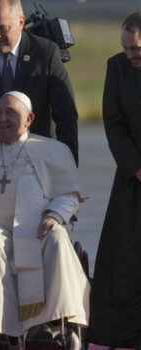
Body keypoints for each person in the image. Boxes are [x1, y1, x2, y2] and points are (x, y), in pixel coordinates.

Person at [0, 91, 90, 346]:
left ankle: (46, 325)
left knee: (57, 237)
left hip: (38, 229)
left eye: (10, 113)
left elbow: (69, 195)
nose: (2, 118)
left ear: (30, 118)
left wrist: (55, 217)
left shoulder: (53, 150)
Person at [0, 0, 79, 165]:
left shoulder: (45, 53)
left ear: (21, 22)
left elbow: (66, 115)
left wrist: (67, 164)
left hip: (36, 158)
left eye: (2, 28)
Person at [88, 11, 141, 349]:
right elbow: (114, 121)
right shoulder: (117, 67)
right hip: (133, 181)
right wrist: (135, 166)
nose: (130, 54)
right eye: (126, 48)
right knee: (124, 263)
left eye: (136, 48)